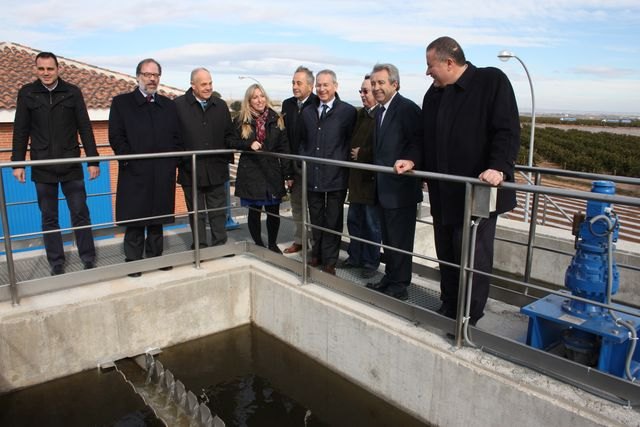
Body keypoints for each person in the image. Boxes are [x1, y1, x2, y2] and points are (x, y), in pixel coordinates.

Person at [398, 36, 521, 324]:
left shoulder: (492, 81)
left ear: (449, 62)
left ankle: (468, 316)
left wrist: (498, 168)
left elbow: (507, 130)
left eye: (431, 66)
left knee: (473, 259)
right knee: (447, 254)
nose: (428, 72)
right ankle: (449, 304)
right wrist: (414, 159)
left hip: (477, 193)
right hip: (443, 194)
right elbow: (423, 138)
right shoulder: (434, 94)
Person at [12, 51, 100, 276]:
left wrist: (93, 160)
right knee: (49, 216)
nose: (46, 73)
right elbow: (20, 130)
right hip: (42, 166)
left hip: (71, 164)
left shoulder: (72, 92)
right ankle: (56, 262)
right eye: (41, 69)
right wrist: (18, 164)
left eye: (50, 69)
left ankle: (88, 257)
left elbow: (85, 127)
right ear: (35, 70)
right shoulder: (28, 93)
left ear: (58, 69)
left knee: (80, 212)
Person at [108, 58, 183, 277]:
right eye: (147, 74)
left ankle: (155, 257)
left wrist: (172, 162)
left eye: (156, 75)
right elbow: (116, 136)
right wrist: (129, 159)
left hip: (162, 171)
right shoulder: (122, 103)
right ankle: (133, 261)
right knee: (135, 217)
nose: (152, 79)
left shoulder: (168, 105)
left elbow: (177, 136)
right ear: (138, 76)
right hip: (135, 171)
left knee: (158, 216)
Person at [364, 63, 423, 301]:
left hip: (401, 190)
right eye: (374, 83)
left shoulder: (407, 109)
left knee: (400, 241)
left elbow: (418, 141)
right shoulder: (379, 111)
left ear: (394, 84)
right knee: (388, 239)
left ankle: (400, 285)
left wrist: (410, 159)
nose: (376, 88)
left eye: (381, 83)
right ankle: (390, 278)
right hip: (383, 188)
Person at [299, 70, 356, 275]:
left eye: (326, 85)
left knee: (333, 220)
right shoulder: (307, 112)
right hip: (313, 175)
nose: (322, 89)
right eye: (319, 86)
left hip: (336, 176)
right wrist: (303, 160)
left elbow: (350, 141)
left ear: (335, 86)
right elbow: (303, 141)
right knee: (316, 218)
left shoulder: (348, 112)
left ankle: (330, 261)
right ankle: (317, 255)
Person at [175, 67, 235, 250]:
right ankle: (200, 247)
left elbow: (229, 134)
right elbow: (173, 137)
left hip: (216, 169)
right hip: (190, 170)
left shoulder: (221, 105)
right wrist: (182, 161)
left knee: (218, 211)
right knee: (196, 213)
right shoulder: (177, 106)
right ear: (193, 85)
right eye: (203, 84)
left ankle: (220, 246)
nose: (208, 87)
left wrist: (228, 156)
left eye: (210, 83)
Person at [232, 84, 292, 252]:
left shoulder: (277, 118)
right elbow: (230, 141)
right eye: (255, 97)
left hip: (272, 172)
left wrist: (288, 174)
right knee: (254, 211)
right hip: (251, 172)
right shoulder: (241, 120)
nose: (260, 100)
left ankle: (272, 244)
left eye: (262, 96)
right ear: (249, 101)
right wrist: (248, 143)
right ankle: (258, 244)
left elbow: (284, 148)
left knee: (273, 211)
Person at [337, 75, 382, 279]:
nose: (363, 95)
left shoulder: (380, 116)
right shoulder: (360, 115)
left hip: (370, 183)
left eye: (367, 91)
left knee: (372, 226)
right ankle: (355, 256)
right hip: (356, 182)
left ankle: (370, 262)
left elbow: (384, 148)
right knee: (355, 222)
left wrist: (361, 154)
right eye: (361, 91)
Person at [280, 66, 319, 254]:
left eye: (298, 83)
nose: (294, 86)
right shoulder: (287, 105)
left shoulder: (318, 103)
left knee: (316, 208)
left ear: (310, 86)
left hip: (314, 166)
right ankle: (300, 240)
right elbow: (284, 137)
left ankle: (317, 245)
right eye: (293, 82)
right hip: (294, 165)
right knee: (297, 205)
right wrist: (287, 170)